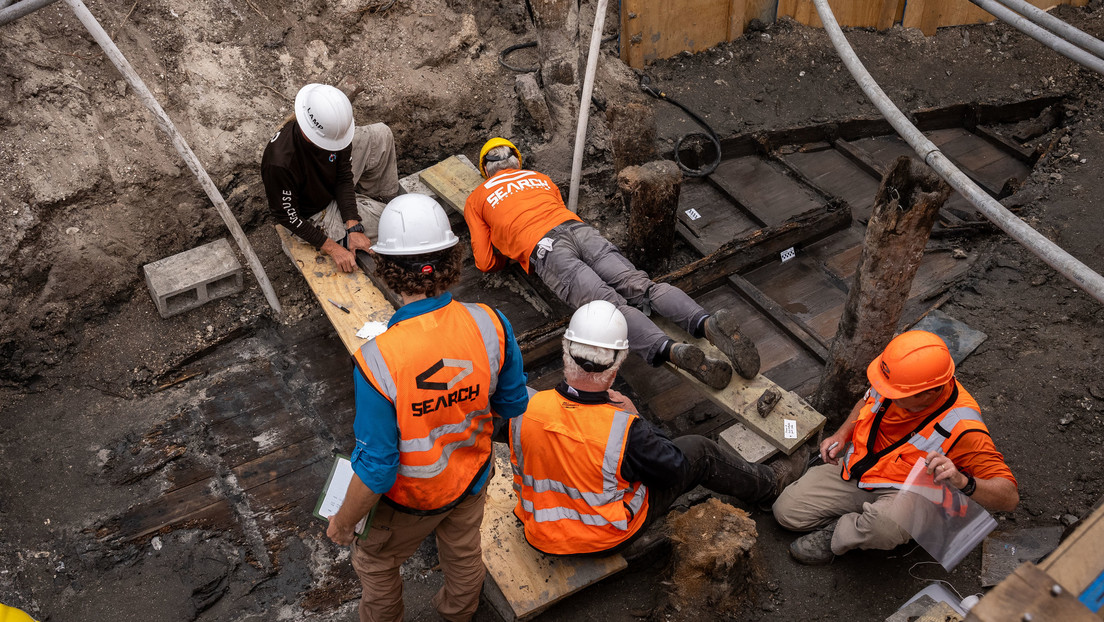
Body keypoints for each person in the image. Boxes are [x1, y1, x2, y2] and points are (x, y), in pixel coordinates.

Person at [325, 194, 529, 622]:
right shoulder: (491, 323)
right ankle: (458, 615)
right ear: (452, 260)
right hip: (471, 478)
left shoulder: (378, 359)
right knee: (464, 554)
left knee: (375, 564)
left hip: (410, 499)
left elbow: (378, 467)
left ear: (388, 268)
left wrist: (344, 523)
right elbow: (512, 404)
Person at [507, 300, 808, 556]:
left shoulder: (525, 407)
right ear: (618, 361)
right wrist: (638, 418)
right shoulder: (624, 430)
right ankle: (770, 486)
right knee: (698, 451)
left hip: (539, 531)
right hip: (601, 537)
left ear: (565, 349)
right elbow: (673, 471)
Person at [463, 137, 760, 390]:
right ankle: (707, 323)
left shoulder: (477, 197)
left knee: (612, 308)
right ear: (517, 161)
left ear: (485, 170)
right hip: (580, 230)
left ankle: (672, 350)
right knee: (643, 287)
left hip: (548, 249)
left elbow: (486, 261)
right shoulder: (540, 178)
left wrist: (508, 241)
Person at [773, 330, 1019, 565]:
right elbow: (867, 399)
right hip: (862, 469)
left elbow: (1009, 498)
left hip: (907, 494)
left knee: (883, 527)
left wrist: (962, 480)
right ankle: (864, 516)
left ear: (929, 393)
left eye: (893, 392)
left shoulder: (964, 428)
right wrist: (842, 434)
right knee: (787, 513)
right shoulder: (898, 382)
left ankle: (840, 534)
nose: (884, 392)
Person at [261, 83, 401, 273]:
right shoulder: (280, 163)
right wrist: (333, 249)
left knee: (380, 135)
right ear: (311, 133)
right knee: (394, 223)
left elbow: (343, 176)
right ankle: (369, 217)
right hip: (313, 214)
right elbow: (286, 215)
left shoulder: (334, 133)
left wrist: (353, 225)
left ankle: (379, 201)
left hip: (328, 186)